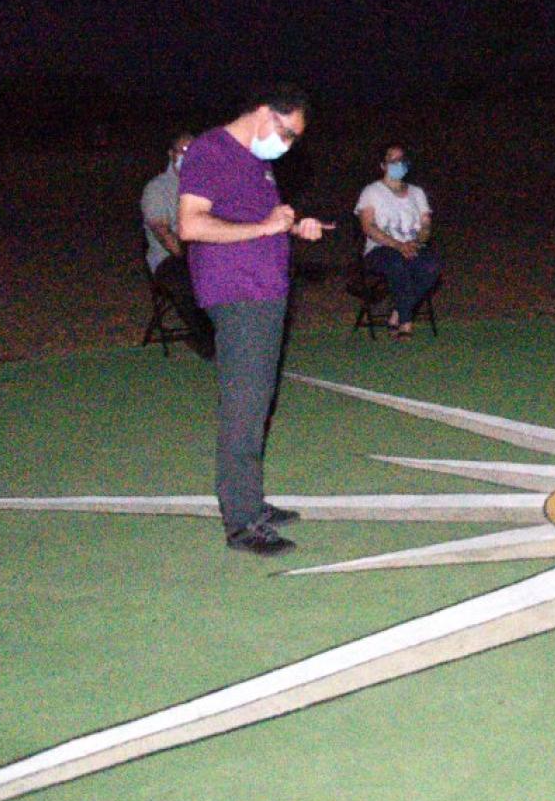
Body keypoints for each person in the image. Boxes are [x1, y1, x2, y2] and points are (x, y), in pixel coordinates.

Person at [178, 84, 334, 555]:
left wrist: (290, 224)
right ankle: (242, 523)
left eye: (293, 139)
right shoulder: (211, 151)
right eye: (286, 132)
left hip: (265, 293)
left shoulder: (257, 161)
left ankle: (252, 502)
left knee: (258, 403)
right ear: (265, 112)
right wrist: (266, 227)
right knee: (244, 407)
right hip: (238, 294)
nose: (286, 144)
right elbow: (190, 223)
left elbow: (256, 219)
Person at [140, 131, 214, 359]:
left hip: (206, 253)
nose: (188, 156)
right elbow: (162, 232)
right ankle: (209, 342)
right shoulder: (157, 189)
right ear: (171, 155)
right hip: (169, 258)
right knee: (188, 281)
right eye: (182, 151)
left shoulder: (207, 184)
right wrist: (190, 258)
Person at [355, 141, 440, 339]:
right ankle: (406, 323)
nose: (397, 164)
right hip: (381, 248)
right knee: (397, 264)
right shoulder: (371, 192)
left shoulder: (417, 193)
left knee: (431, 267)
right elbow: (368, 227)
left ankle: (398, 312)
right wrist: (397, 245)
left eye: (401, 160)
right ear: (383, 165)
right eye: (392, 160)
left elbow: (426, 225)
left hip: (412, 245)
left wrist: (416, 243)